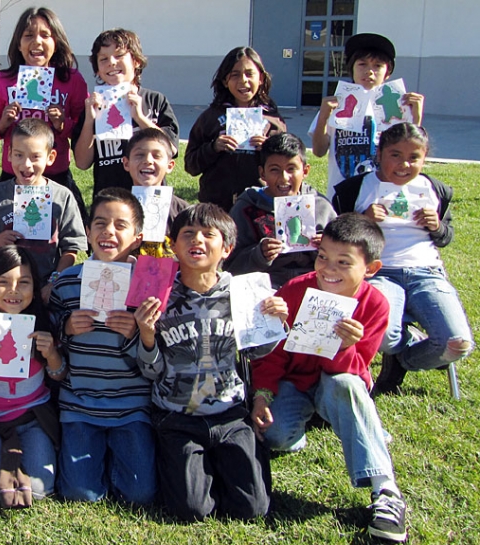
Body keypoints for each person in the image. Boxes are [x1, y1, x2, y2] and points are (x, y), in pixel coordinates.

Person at [251, 213, 408, 543]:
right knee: (277, 437)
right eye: (323, 257)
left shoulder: (374, 304)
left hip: (339, 379)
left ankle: (386, 492)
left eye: (343, 262)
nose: (329, 269)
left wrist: (343, 345)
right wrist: (262, 394)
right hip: (294, 382)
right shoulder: (296, 290)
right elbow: (275, 354)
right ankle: (328, 420)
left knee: (345, 389)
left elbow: (355, 368)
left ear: (370, 269)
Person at [140, 203, 285, 520]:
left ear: (227, 248)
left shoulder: (243, 292)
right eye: (188, 234)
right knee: (192, 510)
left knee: (252, 509)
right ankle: (196, 466)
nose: (197, 241)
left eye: (209, 235)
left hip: (230, 414)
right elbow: (149, 371)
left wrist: (275, 323)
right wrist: (147, 336)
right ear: (173, 245)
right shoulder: (158, 294)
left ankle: (226, 462)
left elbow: (258, 353)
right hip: (176, 416)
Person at [331, 123, 472, 395]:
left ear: (424, 157)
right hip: (380, 272)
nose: (404, 164)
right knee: (383, 336)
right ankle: (401, 344)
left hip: (426, 272)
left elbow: (445, 237)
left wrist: (437, 227)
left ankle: (404, 360)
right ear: (379, 154)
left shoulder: (434, 189)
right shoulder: (354, 189)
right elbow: (335, 238)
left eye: (413, 157)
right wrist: (362, 221)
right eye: (395, 155)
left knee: (457, 343)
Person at [48, 188, 158, 504]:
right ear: (87, 230)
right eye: (100, 223)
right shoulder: (67, 282)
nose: (108, 231)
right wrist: (67, 328)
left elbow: (157, 364)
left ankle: (119, 457)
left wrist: (138, 335)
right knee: (80, 494)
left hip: (131, 405)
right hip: (80, 402)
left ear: (137, 237)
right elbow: (50, 342)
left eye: (120, 225)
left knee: (140, 495)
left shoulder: (148, 285)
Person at [0, 246, 64, 507]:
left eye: (24, 283)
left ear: (35, 287)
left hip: (33, 417)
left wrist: (51, 354)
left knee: (41, 488)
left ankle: (21, 455)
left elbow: (59, 375)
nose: (14, 291)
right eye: (3, 282)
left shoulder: (43, 321)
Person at [0, 6, 89, 221]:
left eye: (45, 35)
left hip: (56, 175)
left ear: (56, 42)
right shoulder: (2, 81)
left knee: (65, 236)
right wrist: (3, 123)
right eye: (28, 35)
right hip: (15, 175)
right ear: (19, 44)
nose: (37, 41)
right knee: (12, 238)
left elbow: (82, 129)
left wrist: (62, 124)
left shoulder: (72, 80)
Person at [0, 118, 87, 301]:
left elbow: (71, 248)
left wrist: (54, 282)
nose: (26, 164)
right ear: (8, 154)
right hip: (8, 289)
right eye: (19, 155)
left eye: (35, 157)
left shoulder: (61, 197)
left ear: (51, 158)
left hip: (47, 286)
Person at [310, 33, 425, 200]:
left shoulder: (397, 107)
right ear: (351, 68)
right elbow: (319, 151)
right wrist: (323, 117)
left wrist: (416, 117)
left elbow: (411, 151)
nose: (369, 71)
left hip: (383, 195)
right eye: (362, 64)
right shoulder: (338, 104)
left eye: (378, 66)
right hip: (343, 196)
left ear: (388, 72)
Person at [73, 28, 180, 196]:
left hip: (151, 196)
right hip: (109, 197)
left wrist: (140, 117)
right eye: (103, 59)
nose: (112, 62)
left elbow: (171, 149)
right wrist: (89, 121)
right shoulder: (92, 106)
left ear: (136, 61)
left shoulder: (155, 100)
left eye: (119, 55)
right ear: (97, 69)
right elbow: (82, 162)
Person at [227, 132, 337, 288]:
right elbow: (230, 265)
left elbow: (344, 258)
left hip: (314, 284)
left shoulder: (320, 207)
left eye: (291, 169)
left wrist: (326, 248)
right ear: (262, 173)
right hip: (264, 286)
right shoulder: (246, 208)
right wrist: (259, 254)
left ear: (305, 171)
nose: (284, 177)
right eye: (275, 170)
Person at [185, 47, 286, 211]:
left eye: (249, 74)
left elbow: (284, 166)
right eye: (235, 75)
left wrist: (268, 149)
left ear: (261, 78)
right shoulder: (209, 118)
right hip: (217, 205)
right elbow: (191, 165)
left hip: (258, 205)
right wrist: (213, 147)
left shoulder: (273, 122)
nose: (243, 81)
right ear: (225, 81)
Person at [121, 127, 189, 258]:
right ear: (126, 163)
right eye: (139, 155)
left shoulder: (182, 211)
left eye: (157, 155)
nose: (148, 160)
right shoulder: (115, 207)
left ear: (170, 166)